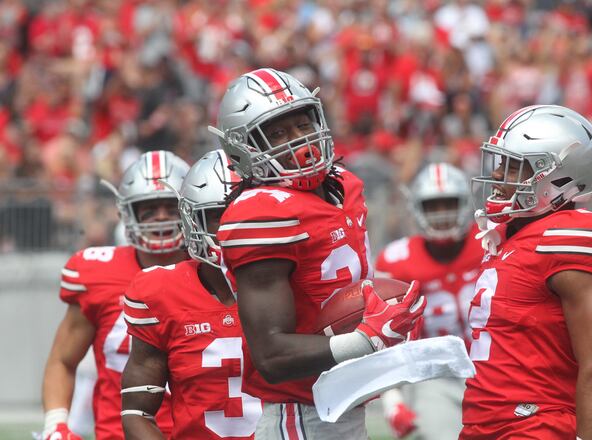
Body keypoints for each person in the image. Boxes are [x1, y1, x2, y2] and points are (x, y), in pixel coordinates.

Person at [211, 67, 426, 439]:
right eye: (276, 133)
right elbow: (272, 356)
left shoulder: (345, 186)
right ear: (244, 149)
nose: (299, 141)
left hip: (344, 400)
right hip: (301, 413)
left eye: (302, 125)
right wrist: (365, 339)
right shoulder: (260, 212)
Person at [461, 105, 592, 440]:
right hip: (485, 425)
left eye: (513, 167)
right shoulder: (510, 236)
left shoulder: (566, 239)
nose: (498, 176)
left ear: (555, 176)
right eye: (501, 163)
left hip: (535, 427)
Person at [41, 150, 189, 440]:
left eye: (170, 207)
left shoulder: (215, 270)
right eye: (148, 208)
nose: (160, 218)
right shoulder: (98, 274)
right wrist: (55, 424)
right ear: (126, 213)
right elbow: (62, 360)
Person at [121, 149, 262, 439]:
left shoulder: (301, 283)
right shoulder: (161, 292)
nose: (233, 227)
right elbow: (137, 413)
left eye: (243, 213)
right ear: (193, 222)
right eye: (218, 217)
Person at [375, 162, 483, 439]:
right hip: (436, 375)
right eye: (433, 206)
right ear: (416, 209)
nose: (442, 214)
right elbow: (383, 338)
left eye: (448, 203)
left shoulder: (491, 242)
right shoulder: (398, 260)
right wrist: (392, 401)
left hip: (495, 368)